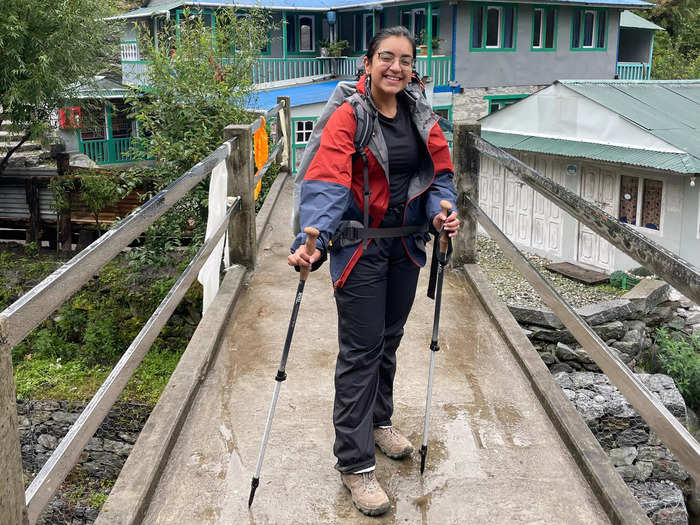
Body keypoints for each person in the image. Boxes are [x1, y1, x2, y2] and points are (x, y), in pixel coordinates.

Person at [288, 26, 459, 517]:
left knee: (388, 340)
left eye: (406, 61)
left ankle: (379, 422)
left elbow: (439, 177)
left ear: (413, 69)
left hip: (405, 246)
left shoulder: (423, 116)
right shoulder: (349, 117)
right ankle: (355, 463)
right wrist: (310, 240)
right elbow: (326, 181)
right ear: (367, 63)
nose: (396, 68)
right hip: (359, 249)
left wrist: (442, 210)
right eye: (387, 57)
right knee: (361, 353)